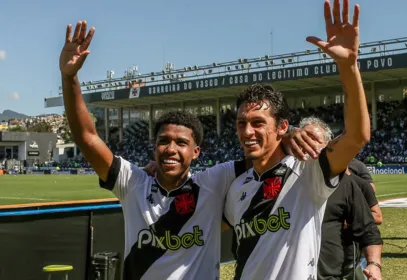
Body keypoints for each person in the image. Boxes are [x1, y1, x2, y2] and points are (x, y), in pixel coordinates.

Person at [58, 21, 320, 280]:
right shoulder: (132, 183)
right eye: (164, 141)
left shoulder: (214, 182)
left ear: (196, 152)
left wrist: (289, 136)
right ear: (153, 147)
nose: (171, 149)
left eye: (181, 143)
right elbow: (87, 138)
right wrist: (69, 77)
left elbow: (263, 152)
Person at [223, 1, 377, 279]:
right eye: (241, 123)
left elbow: (357, 136)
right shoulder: (235, 187)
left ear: (283, 126)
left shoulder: (309, 173)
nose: (247, 132)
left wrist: (348, 67)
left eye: (258, 123)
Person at [296, 117, 382, 280]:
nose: (308, 145)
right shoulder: (281, 181)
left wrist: (374, 264)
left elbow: (369, 229)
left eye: (314, 140)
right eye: (303, 139)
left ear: (328, 147)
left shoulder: (348, 183)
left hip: (331, 274)